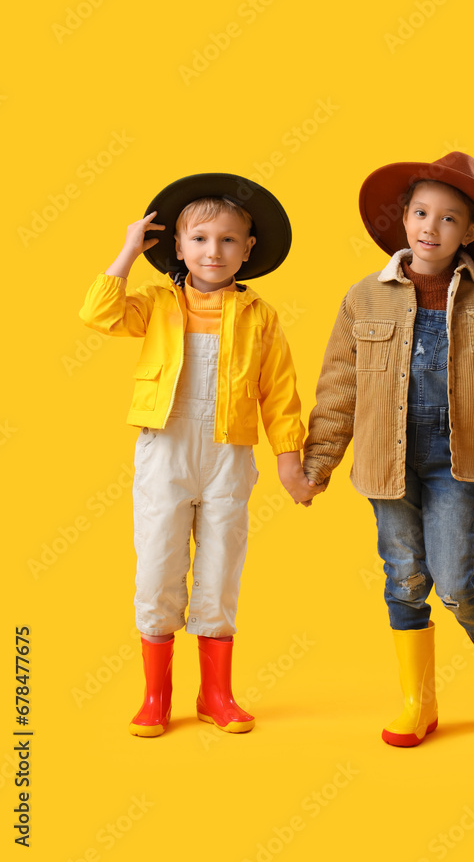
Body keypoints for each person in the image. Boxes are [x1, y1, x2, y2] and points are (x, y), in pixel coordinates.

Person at [302, 151, 474, 746]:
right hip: (384, 460)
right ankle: (418, 701)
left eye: (448, 219)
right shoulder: (364, 298)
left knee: (453, 578)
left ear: (469, 233)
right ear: (403, 220)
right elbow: (340, 385)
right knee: (405, 576)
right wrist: (318, 463)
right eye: (420, 212)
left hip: (456, 459)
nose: (430, 227)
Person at [79, 173, 312, 737]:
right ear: (178, 248)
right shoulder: (156, 305)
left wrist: (289, 459)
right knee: (158, 565)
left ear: (248, 249)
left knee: (220, 568)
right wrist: (129, 250)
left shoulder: (260, 316)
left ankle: (217, 694)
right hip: (166, 453)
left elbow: (280, 393)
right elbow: (98, 314)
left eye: (229, 240)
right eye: (201, 239)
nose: (215, 251)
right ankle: (156, 696)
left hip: (229, 457)